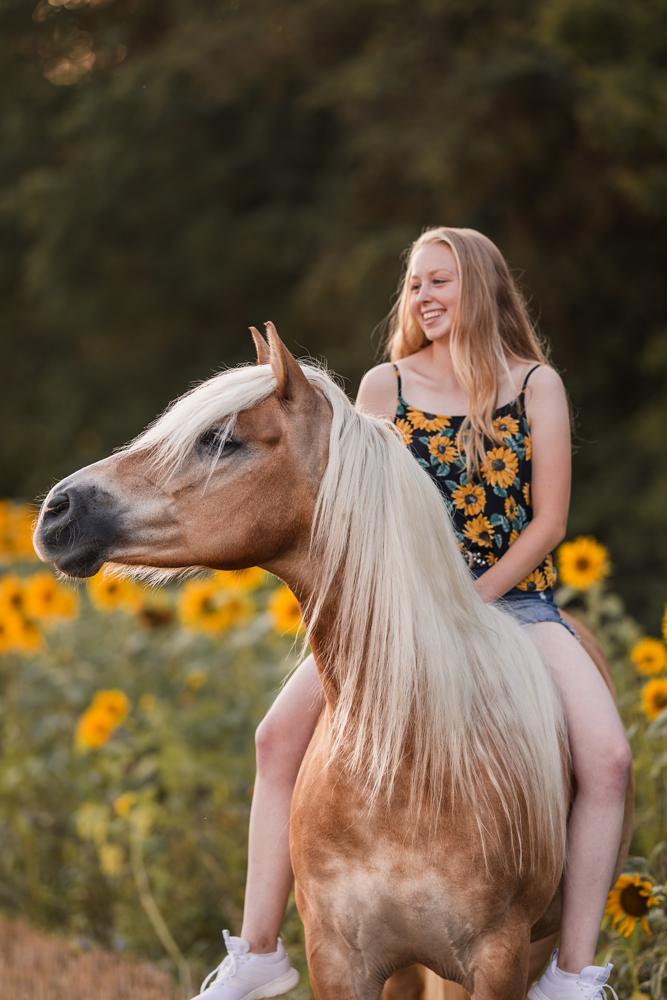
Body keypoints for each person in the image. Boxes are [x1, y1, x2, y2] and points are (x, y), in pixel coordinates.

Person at [192, 227, 631, 1000]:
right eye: (415, 285)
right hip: (394, 619)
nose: (423, 297)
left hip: (514, 604)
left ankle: (570, 974)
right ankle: (257, 950)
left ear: (485, 290)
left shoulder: (535, 386)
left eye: (441, 281)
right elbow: (359, 516)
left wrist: (470, 602)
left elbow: (547, 524)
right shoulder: (382, 389)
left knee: (607, 761)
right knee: (275, 738)